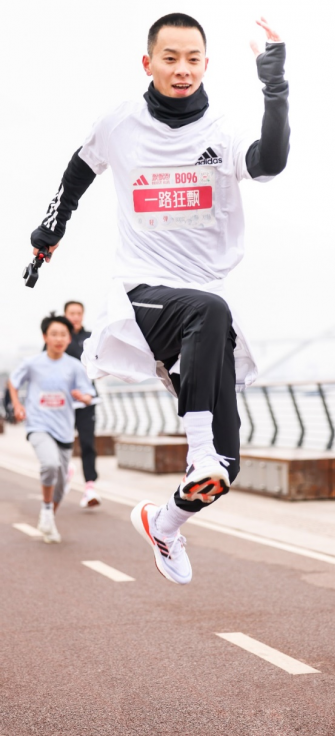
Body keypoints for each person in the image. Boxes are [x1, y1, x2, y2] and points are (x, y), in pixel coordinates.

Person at [29, 13, 290, 582]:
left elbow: (270, 162)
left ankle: (164, 524)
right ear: (148, 63)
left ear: (206, 64)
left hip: (205, 309)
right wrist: (50, 231)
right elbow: (77, 173)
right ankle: (197, 448)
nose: (182, 69)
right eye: (170, 58)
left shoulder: (221, 131)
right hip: (142, 293)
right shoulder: (119, 124)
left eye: (193, 59)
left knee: (226, 468)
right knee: (208, 313)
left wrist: (275, 86)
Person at [8, 314, 95, 543]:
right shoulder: (32, 363)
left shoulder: (74, 366)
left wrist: (82, 397)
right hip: (38, 425)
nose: (58, 339)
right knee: (50, 464)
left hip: (64, 430)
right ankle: (46, 511)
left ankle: (48, 518)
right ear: (45, 337)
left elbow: (89, 395)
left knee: (61, 486)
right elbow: (13, 382)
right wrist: (17, 405)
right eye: (54, 334)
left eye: (63, 335)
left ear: (69, 339)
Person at [63, 300, 101, 508]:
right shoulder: (59, 336)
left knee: (87, 443)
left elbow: (100, 361)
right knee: (63, 440)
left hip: (87, 399)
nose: (76, 317)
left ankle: (89, 488)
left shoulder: (90, 338)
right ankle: (65, 470)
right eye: (72, 313)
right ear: (65, 314)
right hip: (64, 401)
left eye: (79, 313)